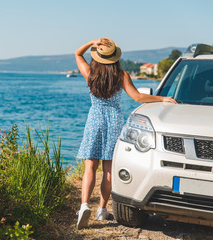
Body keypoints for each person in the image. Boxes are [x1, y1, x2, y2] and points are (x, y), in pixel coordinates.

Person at [75, 38, 176, 230]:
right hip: (114, 120)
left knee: (90, 165)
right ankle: (102, 210)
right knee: (108, 169)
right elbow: (137, 96)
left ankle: (84, 206)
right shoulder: (121, 74)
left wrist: (91, 42)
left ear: (98, 57)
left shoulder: (91, 74)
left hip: (94, 119)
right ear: (115, 57)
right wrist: (162, 98)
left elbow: (77, 54)